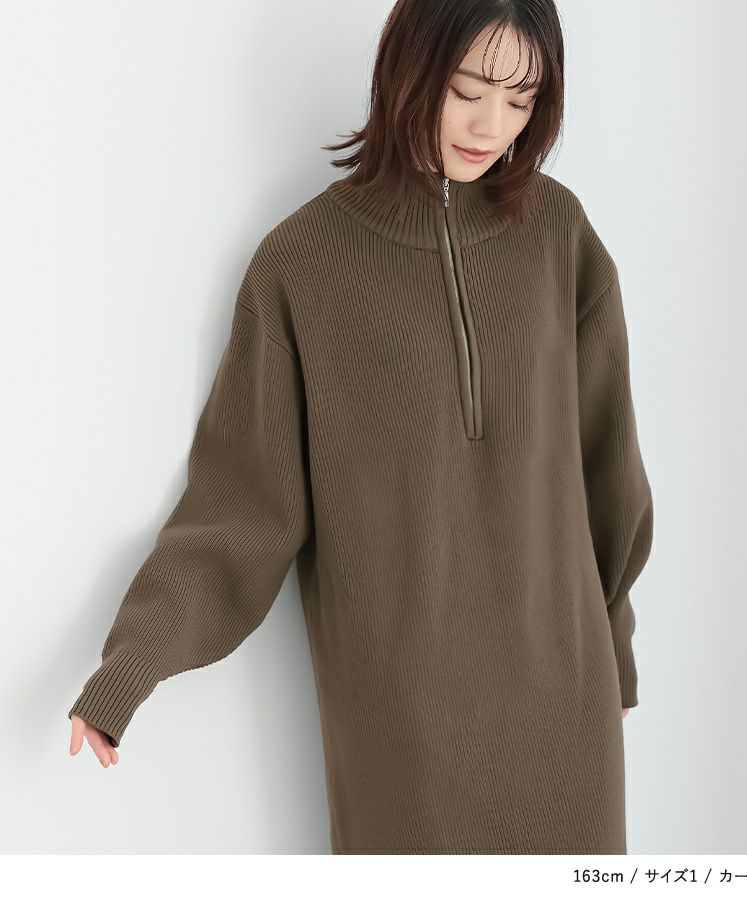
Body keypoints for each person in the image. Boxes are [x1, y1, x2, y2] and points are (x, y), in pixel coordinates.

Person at [68, 0, 654, 854]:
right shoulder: (300, 264)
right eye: (469, 91)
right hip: (403, 733)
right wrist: (130, 667)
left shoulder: (559, 234)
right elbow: (243, 509)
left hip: (567, 707)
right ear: (409, 70)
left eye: (523, 100)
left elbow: (611, 469)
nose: (494, 126)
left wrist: (617, 653)